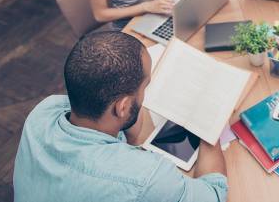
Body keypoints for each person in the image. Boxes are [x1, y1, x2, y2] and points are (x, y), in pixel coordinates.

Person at [13, 31, 228, 202]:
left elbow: (131, 135)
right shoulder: (145, 178)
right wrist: (209, 121)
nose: (145, 94)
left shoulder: (43, 112)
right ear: (122, 107)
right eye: (145, 86)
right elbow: (215, 194)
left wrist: (127, 116)